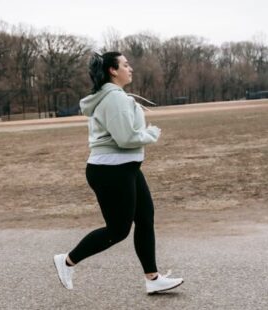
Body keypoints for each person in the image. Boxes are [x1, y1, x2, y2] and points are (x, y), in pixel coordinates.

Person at [53, 51, 184, 294]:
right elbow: (125, 138)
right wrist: (151, 134)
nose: (130, 68)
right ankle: (67, 260)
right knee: (118, 230)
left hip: (125, 168)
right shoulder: (114, 98)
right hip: (111, 170)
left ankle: (153, 279)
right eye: (125, 64)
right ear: (113, 71)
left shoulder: (115, 96)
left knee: (145, 218)